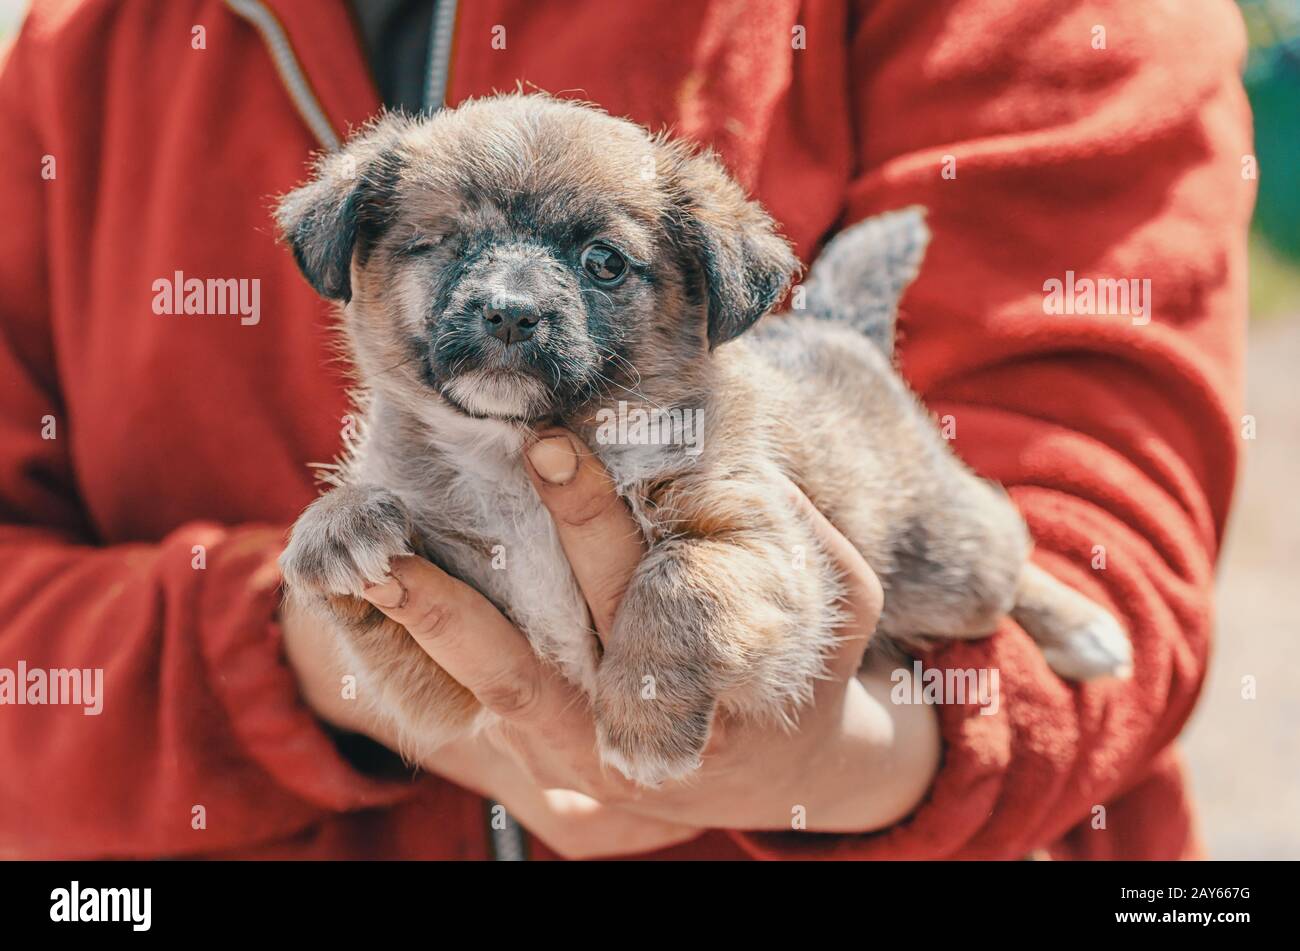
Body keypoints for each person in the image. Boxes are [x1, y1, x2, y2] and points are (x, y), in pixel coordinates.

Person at [0, 0, 1252, 859]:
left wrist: (847, 765)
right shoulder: (82, 50)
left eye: (597, 263)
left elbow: (1119, 541)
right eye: (438, 249)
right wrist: (293, 646)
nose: (502, 299)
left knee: (971, 563)